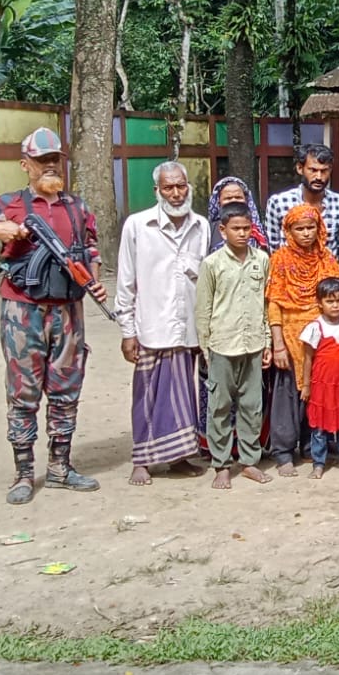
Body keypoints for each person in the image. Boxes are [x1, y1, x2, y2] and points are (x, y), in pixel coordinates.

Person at [0, 127, 105, 505]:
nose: (50, 165)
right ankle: (23, 472)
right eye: (42, 160)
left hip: (68, 311)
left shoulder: (78, 207)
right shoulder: (6, 205)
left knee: (67, 390)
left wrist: (94, 281)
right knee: (23, 392)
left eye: (55, 159)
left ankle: (59, 468)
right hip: (23, 311)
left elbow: (91, 250)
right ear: (26, 165)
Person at [116, 161, 209, 486]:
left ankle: (179, 457)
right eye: (169, 187)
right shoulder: (138, 225)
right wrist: (128, 331)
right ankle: (142, 460)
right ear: (157, 191)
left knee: (182, 395)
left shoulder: (201, 226)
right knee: (147, 397)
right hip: (151, 326)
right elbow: (126, 281)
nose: (176, 193)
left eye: (181, 186)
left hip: (187, 328)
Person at [195, 201, 272, 489]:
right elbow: (203, 309)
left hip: (253, 343)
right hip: (222, 344)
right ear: (222, 230)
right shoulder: (212, 264)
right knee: (220, 406)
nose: (242, 234)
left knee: (252, 405)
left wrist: (267, 342)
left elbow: (266, 305)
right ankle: (221, 464)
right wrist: (206, 348)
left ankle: (250, 461)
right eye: (236, 228)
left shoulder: (261, 260)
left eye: (246, 228)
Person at [265, 205, 339, 475]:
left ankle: (312, 446)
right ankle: (284, 452)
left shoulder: (326, 258)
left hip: (322, 338)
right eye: (300, 228)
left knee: (317, 393)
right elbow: (274, 303)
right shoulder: (280, 259)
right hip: (290, 338)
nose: (306, 233)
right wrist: (278, 344)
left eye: (311, 227)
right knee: (287, 397)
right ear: (289, 231)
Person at [299, 276, 339, 479]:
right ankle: (318, 463)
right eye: (330, 301)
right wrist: (306, 385)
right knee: (319, 428)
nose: (335, 305)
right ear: (320, 302)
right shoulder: (315, 327)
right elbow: (308, 359)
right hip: (322, 384)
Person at [265, 143, 339, 259]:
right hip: (288, 268)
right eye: (313, 170)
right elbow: (272, 247)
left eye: (324, 171)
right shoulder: (279, 203)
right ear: (300, 168)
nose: (319, 177)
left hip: (328, 268)